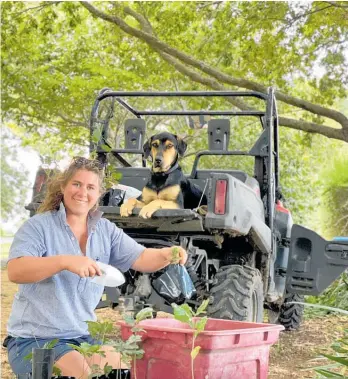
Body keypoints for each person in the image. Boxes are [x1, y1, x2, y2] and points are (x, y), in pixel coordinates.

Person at [5, 156, 187, 378]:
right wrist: (65, 261)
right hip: (36, 339)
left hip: (82, 337)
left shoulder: (104, 229)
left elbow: (140, 257)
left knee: (131, 370)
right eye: (76, 184)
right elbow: (16, 270)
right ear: (63, 186)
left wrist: (166, 254)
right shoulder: (38, 226)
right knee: (85, 374)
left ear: (99, 193)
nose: (83, 193)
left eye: (90, 187)